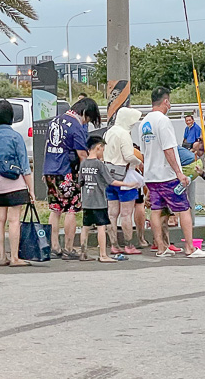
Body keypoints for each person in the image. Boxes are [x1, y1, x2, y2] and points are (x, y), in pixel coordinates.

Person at [140, 87, 205, 258]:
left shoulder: (144, 122)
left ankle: (162, 247)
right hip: (167, 175)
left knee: (156, 210)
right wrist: (179, 173)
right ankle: (190, 247)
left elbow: (144, 151)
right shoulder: (163, 121)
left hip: (151, 175)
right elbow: (168, 149)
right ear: (166, 102)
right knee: (183, 208)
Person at [43, 97, 101, 260]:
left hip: (50, 171)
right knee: (71, 210)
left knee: (55, 209)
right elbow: (82, 155)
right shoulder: (75, 125)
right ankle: (69, 247)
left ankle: (54, 246)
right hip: (66, 172)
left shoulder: (54, 121)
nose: (86, 122)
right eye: (88, 118)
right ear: (84, 113)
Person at [0, 99, 35, 267]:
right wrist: (31, 190)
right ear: (11, 117)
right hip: (14, 183)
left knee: (0, 220)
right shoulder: (16, 137)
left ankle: (2, 257)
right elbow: (25, 166)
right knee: (14, 220)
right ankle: (15, 257)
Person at [79, 136, 134, 263]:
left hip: (87, 201)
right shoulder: (99, 164)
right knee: (101, 227)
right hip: (99, 201)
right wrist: (127, 184)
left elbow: (80, 181)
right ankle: (103, 254)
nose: (102, 152)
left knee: (85, 226)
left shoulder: (84, 163)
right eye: (102, 149)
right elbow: (111, 181)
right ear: (98, 147)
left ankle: (83, 252)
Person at [103, 107, 143, 255]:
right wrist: (139, 161)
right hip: (125, 178)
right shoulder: (124, 134)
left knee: (112, 213)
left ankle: (113, 244)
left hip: (109, 176)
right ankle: (128, 245)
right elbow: (128, 156)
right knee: (126, 214)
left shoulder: (109, 132)